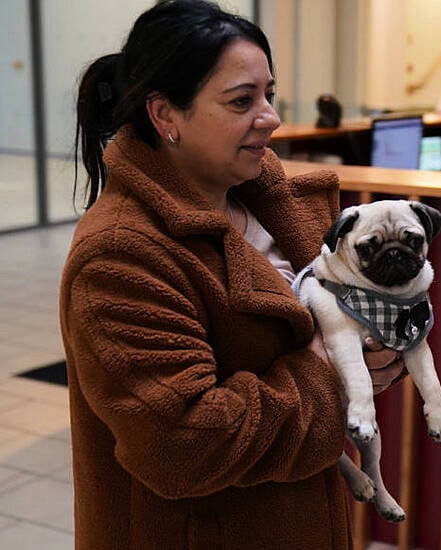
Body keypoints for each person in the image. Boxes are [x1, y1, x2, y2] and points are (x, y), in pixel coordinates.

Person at [61, 2, 398, 548]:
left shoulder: (267, 202)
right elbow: (181, 445)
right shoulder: (121, 254)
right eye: (242, 100)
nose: (271, 116)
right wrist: (333, 369)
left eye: (269, 93)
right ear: (165, 115)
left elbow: (340, 334)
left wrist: (379, 346)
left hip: (295, 514)